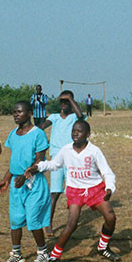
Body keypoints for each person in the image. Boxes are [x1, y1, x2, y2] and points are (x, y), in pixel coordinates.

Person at [26, 120, 119, 262]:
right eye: (74, 130)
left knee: (110, 217)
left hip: (94, 189)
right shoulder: (66, 150)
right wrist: (39, 166)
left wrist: (109, 188)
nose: (75, 133)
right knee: (72, 224)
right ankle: (55, 256)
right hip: (75, 191)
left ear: (88, 134)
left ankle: (102, 247)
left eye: (79, 131)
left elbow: (107, 172)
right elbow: (54, 164)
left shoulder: (94, 151)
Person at [0, 101, 51, 262]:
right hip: (17, 184)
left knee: (33, 218)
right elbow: (15, 161)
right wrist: (6, 179)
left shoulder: (38, 134)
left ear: (29, 113)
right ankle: (16, 254)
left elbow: (39, 160)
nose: (15, 114)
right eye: (14, 112)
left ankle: (43, 253)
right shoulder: (13, 134)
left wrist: (25, 175)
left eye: (19, 112)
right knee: (16, 219)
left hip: (34, 183)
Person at [39, 90, 85, 237]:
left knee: (73, 192)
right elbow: (40, 128)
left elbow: (81, 117)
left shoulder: (74, 117)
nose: (64, 105)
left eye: (67, 102)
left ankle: (72, 221)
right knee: (55, 193)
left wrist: (70, 99)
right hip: (56, 158)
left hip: (71, 158)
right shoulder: (54, 117)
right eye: (62, 102)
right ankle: (48, 224)